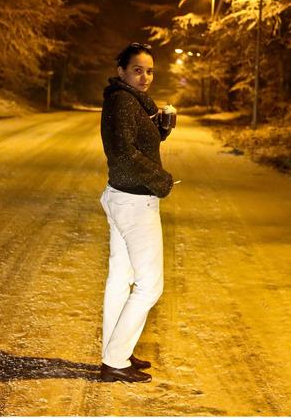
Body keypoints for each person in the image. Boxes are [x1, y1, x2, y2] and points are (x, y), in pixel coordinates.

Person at [99, 42, 176, 383]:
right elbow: (124, 153)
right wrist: (161, 179)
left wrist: (161, 130)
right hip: (134, 203)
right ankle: (115, 359)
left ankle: (116, 351)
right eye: (137, 70)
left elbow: (137, 144)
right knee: (150, 286)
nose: (145, 77)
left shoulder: (128, 101)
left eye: (149, 71)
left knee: (120, 280)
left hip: (123, 197)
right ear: (122, 71)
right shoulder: (123, 102)